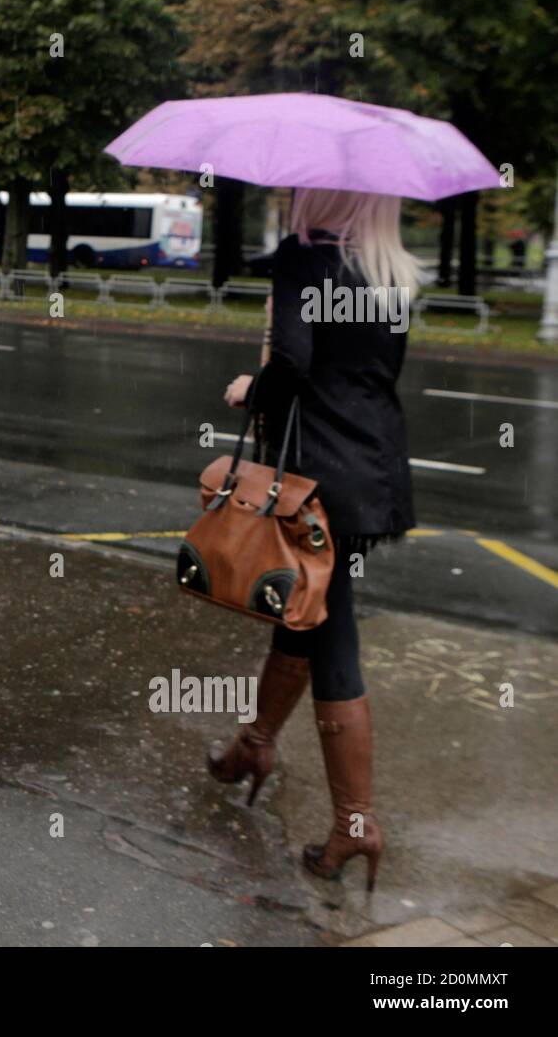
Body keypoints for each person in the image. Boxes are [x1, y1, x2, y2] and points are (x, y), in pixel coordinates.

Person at [207, 186, 420, 892]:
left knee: (332, 635)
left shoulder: (305, 258)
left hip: (318, 480)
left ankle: (354, 825)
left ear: (318, 193)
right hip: (373, 472)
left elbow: (295, 365)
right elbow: (370, 372)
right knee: (304, 613)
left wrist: (252, 386)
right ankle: (254, 747)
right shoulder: (390, 269)